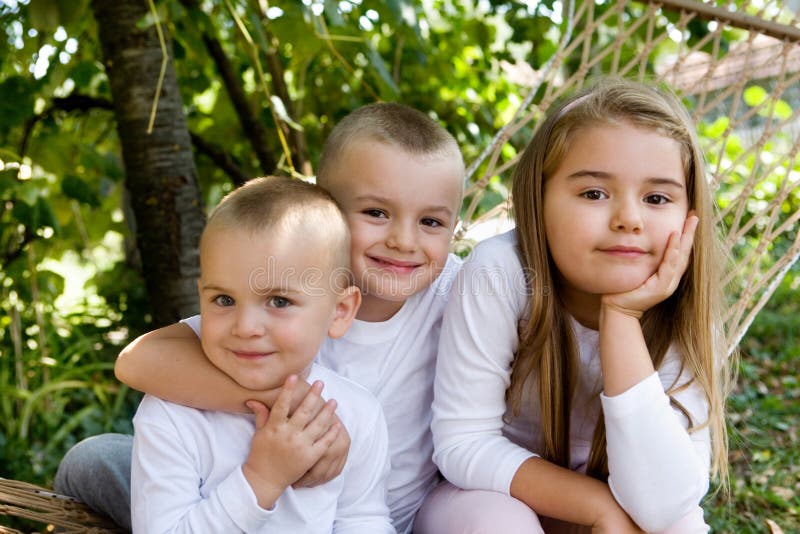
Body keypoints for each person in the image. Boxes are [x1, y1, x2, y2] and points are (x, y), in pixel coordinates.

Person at [55, 102, 465, 534]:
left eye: (431, 221)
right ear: (322, 206)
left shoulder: (458, 289)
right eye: (376, 213)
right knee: (94, 459)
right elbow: (135, 362)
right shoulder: (266, 287)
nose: (403, 241)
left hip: (381, 513)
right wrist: (303, 414)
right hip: (219, 495)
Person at [414, 78, 732, 533]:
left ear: (689, 215)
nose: (629, 219)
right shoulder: (499, 272)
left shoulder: (683, 312)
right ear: (538, 202)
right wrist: (598, 508)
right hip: (493, 494)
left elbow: (665, 504)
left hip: (631, 505)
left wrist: (621, 318)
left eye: (657, 198)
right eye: (594, 194)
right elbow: (464, 444)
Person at [130, 176, 393, 532]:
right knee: (93, 464)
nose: (245, 327)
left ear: (340, 311)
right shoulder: (170, 415)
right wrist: (261, 478)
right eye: (224, 300)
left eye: (279, 301)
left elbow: (362, 520)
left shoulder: (355, 413)